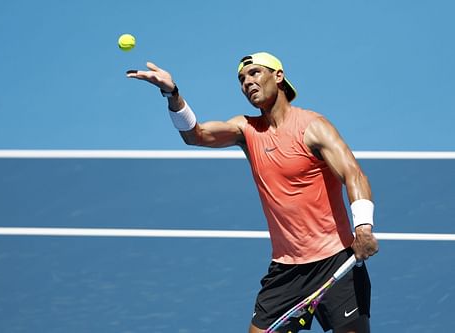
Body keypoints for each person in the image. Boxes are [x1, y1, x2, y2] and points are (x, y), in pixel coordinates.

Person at [127, 52, 379, 333]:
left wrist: (363, 228)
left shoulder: (313, 127)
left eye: (255, 73)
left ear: (278, 76)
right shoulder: (246, 129)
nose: (247, 82)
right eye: (241, 79)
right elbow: (194, 135)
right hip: (287, 269)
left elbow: (353, 174)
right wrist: (172, 93)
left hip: (335, 259)